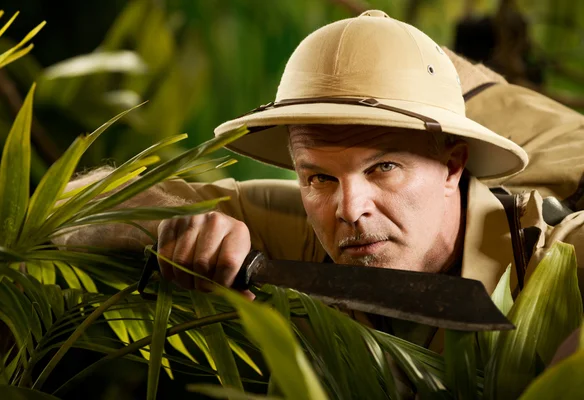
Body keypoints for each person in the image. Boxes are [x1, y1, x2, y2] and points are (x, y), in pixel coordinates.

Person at [59, 10, 584, 350]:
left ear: (452, 166)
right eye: (318, 177)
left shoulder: (552, 257)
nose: (349, 208)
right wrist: (172, 229)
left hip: (532, 139)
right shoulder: (295, 227)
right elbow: (72, 208)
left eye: (383, 168)